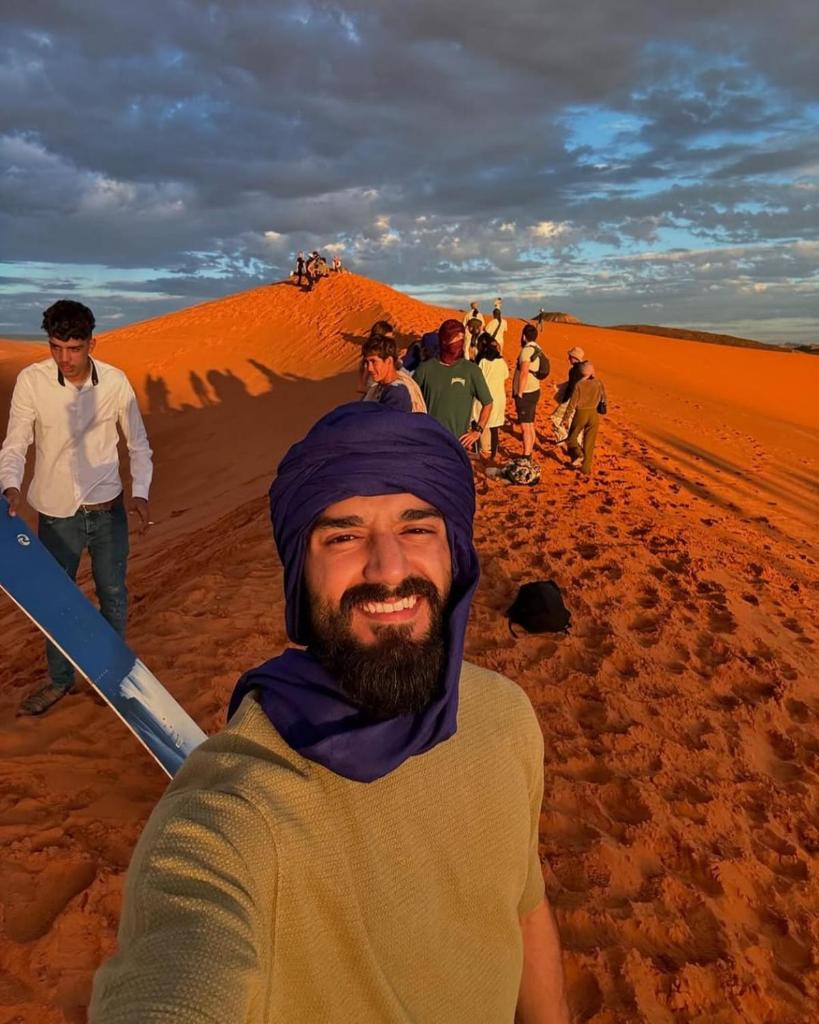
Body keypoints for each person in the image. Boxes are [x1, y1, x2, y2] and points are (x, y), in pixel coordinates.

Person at [89, 403, 570, 1024]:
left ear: (456, 555)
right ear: (301, 575)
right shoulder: (238, 807)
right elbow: (182, 961)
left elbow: (524, 909)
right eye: (343, 536)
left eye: (418, 529)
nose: (389, 569)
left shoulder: (506, 717)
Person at [0, 300, 153, 715]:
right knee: (57, 600)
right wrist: (10, 486)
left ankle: (113, 678)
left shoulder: (116, 383)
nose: (64, 358)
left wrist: (141, 492)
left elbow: (138, 444)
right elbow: (16, 443)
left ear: (91, 344)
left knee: (113, 594)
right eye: (55, 347)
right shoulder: (32, 381)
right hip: (56, 513)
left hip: (107, 510)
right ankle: (60, 680)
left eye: (74, 348)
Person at [413, 319, 493, 449]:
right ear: (443, 340)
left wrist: (478, 430)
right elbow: (410, 398)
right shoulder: (425, 368)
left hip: (457, 444)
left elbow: (488, 403)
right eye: (454, 338)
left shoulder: (471, 370)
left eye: (461, 338)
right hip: (428, 442)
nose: (458, 342)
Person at [561, 360, 607, 475]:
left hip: (581, 413)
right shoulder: (598, 383)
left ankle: (579, 454)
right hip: (594, 415)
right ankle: (585, 469)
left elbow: (572, 404)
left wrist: (565, 418)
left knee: (571, 438)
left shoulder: (579, 385)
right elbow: (604, 399)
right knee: (589, 443)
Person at [361, 335, 426, 413]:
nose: (369, 368)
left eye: (373, 361)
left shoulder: (397, 393)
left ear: (389, 361)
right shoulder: (379, 387)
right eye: (367, 362)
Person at [512, 324, 548, 460]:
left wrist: (520, 393)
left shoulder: (526, 351)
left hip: (526, 392)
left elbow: (524, 372)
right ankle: (529, 451)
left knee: (525, 426)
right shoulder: (538, 348)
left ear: (523, 336)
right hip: (534, 390)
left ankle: (526, 455)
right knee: (530, 423)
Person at [476, 337, 509, 460]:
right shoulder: (502, 362)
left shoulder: (483, 362)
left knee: (480, 422)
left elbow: (479, 378)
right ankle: (494, 454)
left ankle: (479, 449)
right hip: (499, 397)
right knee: (495, 427)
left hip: (485, 397)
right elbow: (506, 375)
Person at [550, 346, 585, 443]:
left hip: (571, 399)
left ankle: (562, 437)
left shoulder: (574, 370)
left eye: (570, 357)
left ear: (575, 358)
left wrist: (564, 400)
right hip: (581, 401)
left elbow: (571, 387)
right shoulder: (585, 370)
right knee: (573, 421)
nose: (569, 359)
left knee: (555, 418)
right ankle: (577, 443)